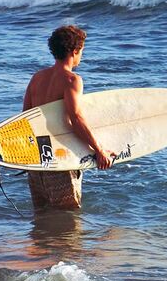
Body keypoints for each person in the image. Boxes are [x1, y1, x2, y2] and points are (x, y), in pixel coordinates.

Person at [19, 25, 114, 212]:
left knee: (42, 215)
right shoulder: (72, 79)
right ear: (74, 51)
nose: (81, 57)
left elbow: (26, 118)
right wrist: (99, 150)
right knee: (67, 218)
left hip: (37, 159)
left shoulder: (36, 78)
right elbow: (76, 118)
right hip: (60, 156)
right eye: (82, 52)